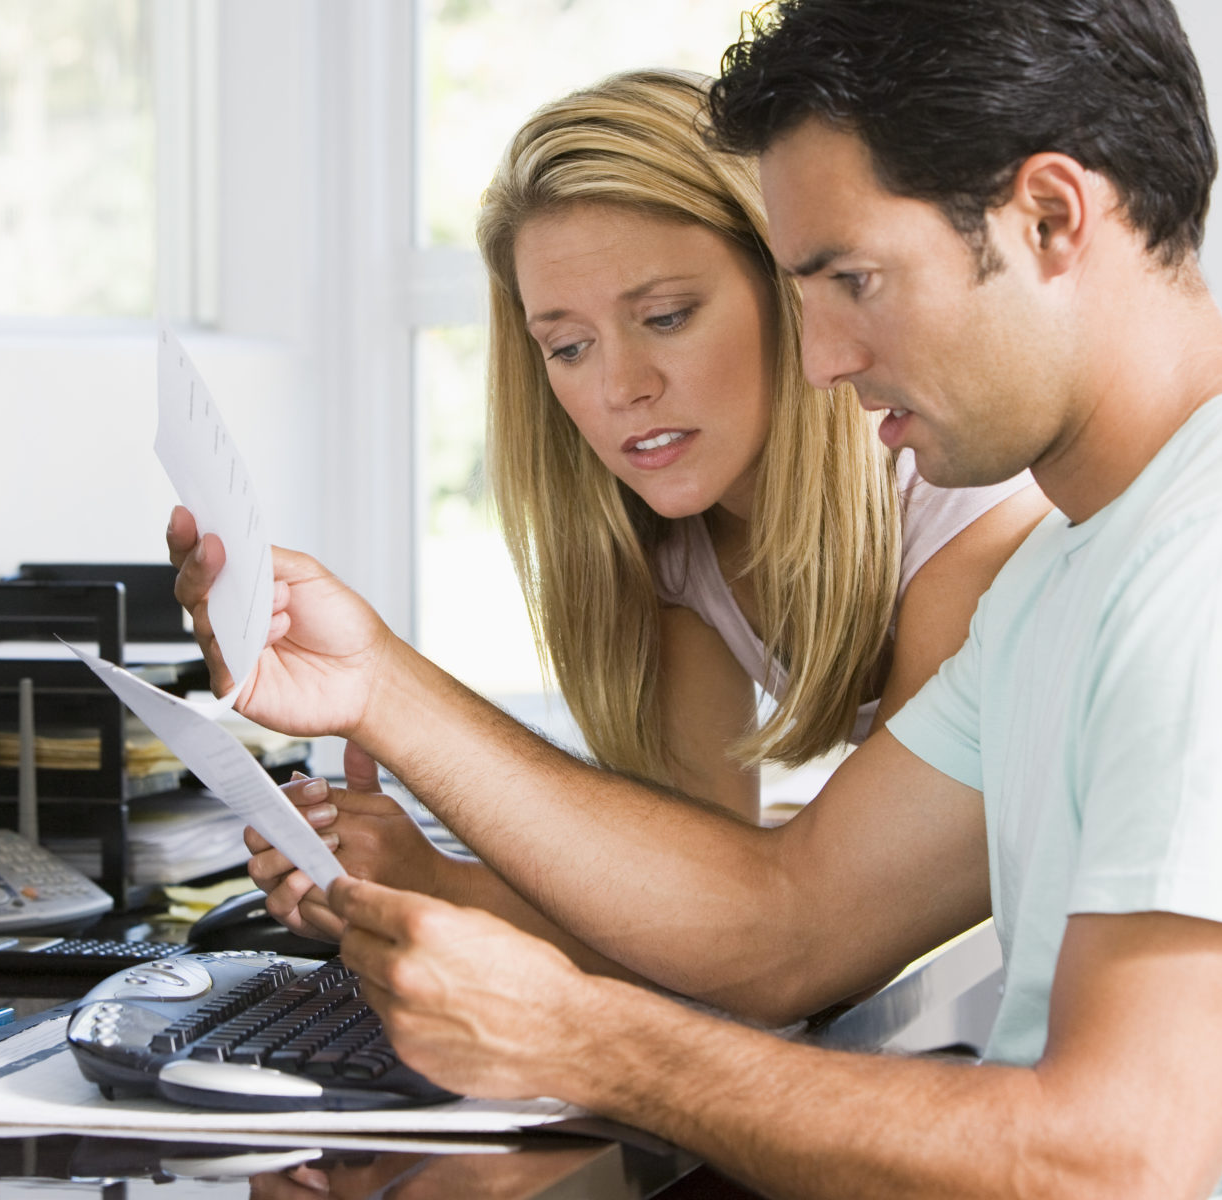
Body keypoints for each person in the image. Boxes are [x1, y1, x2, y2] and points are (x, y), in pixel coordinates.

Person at [170, 0, 1222, 1193]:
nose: (824, 361)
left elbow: (1108, 1165)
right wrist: (381, 688)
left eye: (852, 281)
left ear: (1048, 217)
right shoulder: (1083, 567)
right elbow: (788, 924)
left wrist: (592, 1041)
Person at [258, 69, 1044, 968]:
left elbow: (810, 938)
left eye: (666, 317)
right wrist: (416, 880)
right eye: (569, 346)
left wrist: (388, 693)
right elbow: (700, 928)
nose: (620, 387)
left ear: (789, 291)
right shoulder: (679, 555)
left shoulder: (963, 512)